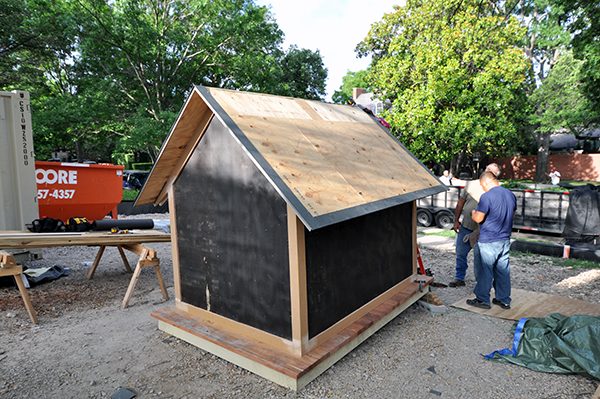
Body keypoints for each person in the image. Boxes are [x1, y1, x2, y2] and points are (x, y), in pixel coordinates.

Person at [466, 172, 516, 309]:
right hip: (504, 239)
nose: (483, 189)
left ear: (487, 182)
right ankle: (503, 299)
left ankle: (482, 299)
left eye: (482, 186)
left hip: (488, 240)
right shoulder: (510, 195)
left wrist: (473, 213)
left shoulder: (486, 197)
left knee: (484, 270)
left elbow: (478, 218)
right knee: (503, 271)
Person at [448, 163, 501, 287]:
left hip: (484, 231)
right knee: (460, 253)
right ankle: (459, 278)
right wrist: (456, 221)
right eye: (488, 170)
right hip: (466, 226)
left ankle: (483, 283)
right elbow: (460, 203)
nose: (489, 173)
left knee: (482, 258)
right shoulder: (471, 184)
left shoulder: (496, 188)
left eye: (493, 173)